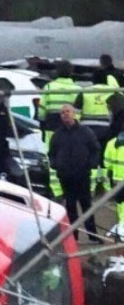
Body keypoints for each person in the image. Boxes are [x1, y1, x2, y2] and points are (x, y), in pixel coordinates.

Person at [48, 104, 102, 243]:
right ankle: (73, 237)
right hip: (66, 176)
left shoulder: (86, 132)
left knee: (86, 206)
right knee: (70, 207)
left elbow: (96, 149)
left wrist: (91, 164)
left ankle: (93, 236)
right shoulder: (57, 135)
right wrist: (55, 165)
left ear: (74, 113)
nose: (65, 114)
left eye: (67, 112)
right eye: (62, 113)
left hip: (83, 175)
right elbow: (51, 153)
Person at [38, 61, 82, 197]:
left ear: (57, 72)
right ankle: (72, 188)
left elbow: (41, 111)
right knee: (72, 156)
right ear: (71, 72)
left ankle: (57, 190)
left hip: (52, 127)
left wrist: (42, 125)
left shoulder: (49, 87)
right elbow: (79, 111)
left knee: (54, 156)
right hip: (71, 128)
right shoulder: (77, 89)